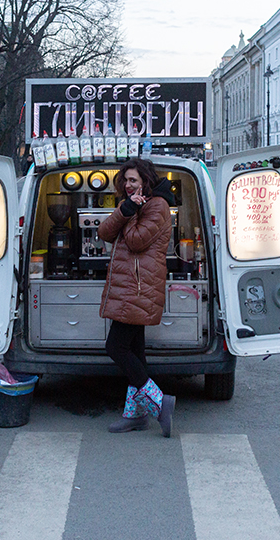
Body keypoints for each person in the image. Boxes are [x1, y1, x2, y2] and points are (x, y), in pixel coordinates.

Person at [98, 158, 178, 436]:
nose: (128, 185)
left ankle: (160, 402)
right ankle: (135, 415)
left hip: (139, 287)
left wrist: (130, 212)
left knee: (116, 347)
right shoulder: (131, 204)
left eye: (133, 180)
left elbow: (135, 241)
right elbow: (104, 232)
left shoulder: (157, 206)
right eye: (125, 180)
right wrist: (126, 209)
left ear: (145, 180)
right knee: (135, 353)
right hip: (131, 285)